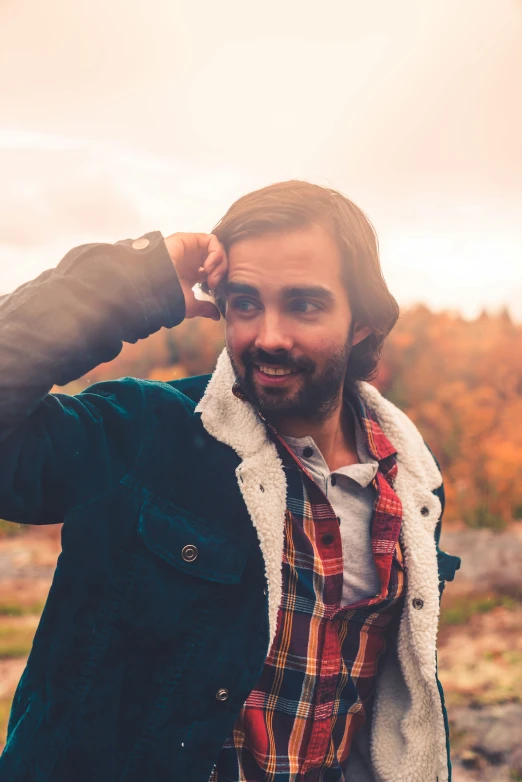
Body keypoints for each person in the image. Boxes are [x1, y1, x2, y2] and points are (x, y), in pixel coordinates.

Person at [0, 180, 460, 782]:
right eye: (245, 303)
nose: (268, 336)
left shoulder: (412, 480)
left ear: (361, 322)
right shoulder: (144, 431)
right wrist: (133, 278)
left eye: (304, 305)